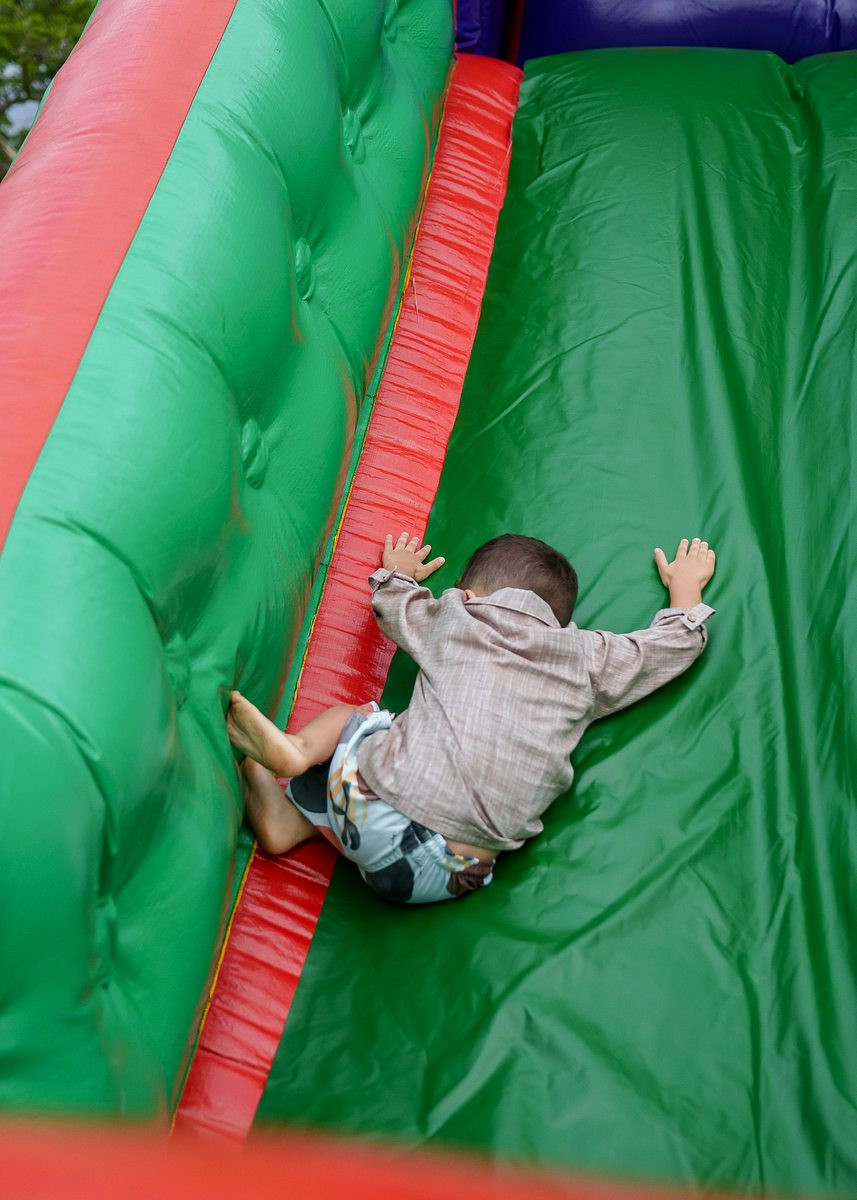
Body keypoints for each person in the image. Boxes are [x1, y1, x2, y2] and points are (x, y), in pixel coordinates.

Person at [226, 531, 716, 904]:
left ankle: (298, 753)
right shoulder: (588, 659)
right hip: (445, 876)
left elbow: (393, 605)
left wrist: (397, 573)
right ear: (560, 622)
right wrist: (686, 591)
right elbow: (670, 647)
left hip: (368, 800)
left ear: (471, 595)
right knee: (411, 787)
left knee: (367, 717)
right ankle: (288, 824)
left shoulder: (459, 618)